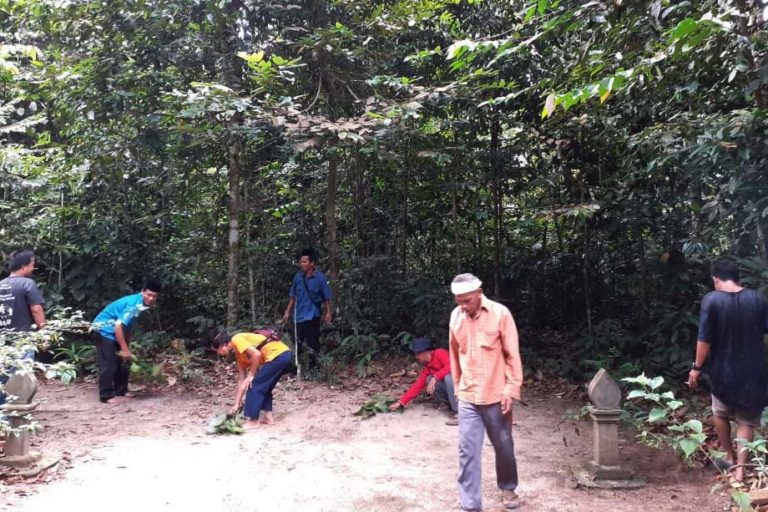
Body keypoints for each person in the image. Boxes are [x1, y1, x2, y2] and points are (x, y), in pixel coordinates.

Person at [687, 259, 768, 482]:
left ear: (716, 279)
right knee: (747, 421)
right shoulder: (758, 299)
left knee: (720, 412)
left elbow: (704, 339)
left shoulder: (711, 300)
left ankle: (729, 457)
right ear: (737, 277)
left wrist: (696, 368)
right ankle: (741, 470)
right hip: (754, 370)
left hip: (724, 370)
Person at [449, 273, 523, 511]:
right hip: (468, 395)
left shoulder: (501, 314)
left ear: (479, 294)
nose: (462, 305)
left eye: (467, 300)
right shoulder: (456, 316)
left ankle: (508, 486)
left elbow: (512, 354)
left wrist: (511, 389)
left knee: (503, 445)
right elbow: (454, 353)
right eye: (458, 300)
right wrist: (458, 387)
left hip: (495, 394)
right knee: (467, 451)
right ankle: (470, 505)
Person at [92, 279, 161, 404]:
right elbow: (118, 325)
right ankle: (106, 395)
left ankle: (121, 391)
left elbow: (126, 325)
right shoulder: (134, 304)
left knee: (124, 362)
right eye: (148, 295)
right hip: (103, 329)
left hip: (116, 330)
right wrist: (124, 349)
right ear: (142, 292)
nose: (151, 298)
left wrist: (126, 345)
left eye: (154, 296)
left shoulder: (141, 304)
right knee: (109, 363)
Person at [212, 330, 292, 429]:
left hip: (278, 355)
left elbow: (257, 354)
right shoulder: (240, 354)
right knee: (264, 387)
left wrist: (250, 375)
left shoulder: (236, 339)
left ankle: (253, 421)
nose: (219, 353)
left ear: (222, 345)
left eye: (217, 350)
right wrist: (237, 404)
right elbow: (241, 380)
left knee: (254, 385)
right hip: (283, 356)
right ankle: (268, 417)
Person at [0, 249, 46, 406]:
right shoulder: (28, 284)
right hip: (22, 338)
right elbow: (36, 309)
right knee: (21, 375)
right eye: (33, 264)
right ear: (24, 266)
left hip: (2, 338)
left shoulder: (1, 285)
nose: (33, 268)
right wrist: (44, 333)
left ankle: (3, 414)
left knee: (2, 375)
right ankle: (18, 412)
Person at [389, 337, 459, 425]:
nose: (417, 357)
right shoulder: (428, 367)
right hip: (452, 391)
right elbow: (417, 386)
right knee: (429, 379)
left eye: (417, 354)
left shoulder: (439, 353)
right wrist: (401, 402)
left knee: (448, 377)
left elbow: (452, 366)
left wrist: (436, 376)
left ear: (424, 352)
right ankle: (447, 405)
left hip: (462, 387)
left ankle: (460, 413)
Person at [282, 248, 332, 364]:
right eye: (301, 262)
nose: (302, 264)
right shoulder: (298, 278)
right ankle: (296, 367)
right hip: (299, 316)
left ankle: (314, 368)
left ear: (312, 263)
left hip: (313, 315)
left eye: (304, 262)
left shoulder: (320, 278)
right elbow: (293, 296)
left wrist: (328, 312)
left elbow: (326, 297)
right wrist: (287, 311)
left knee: (313, 343)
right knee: (297, 343)